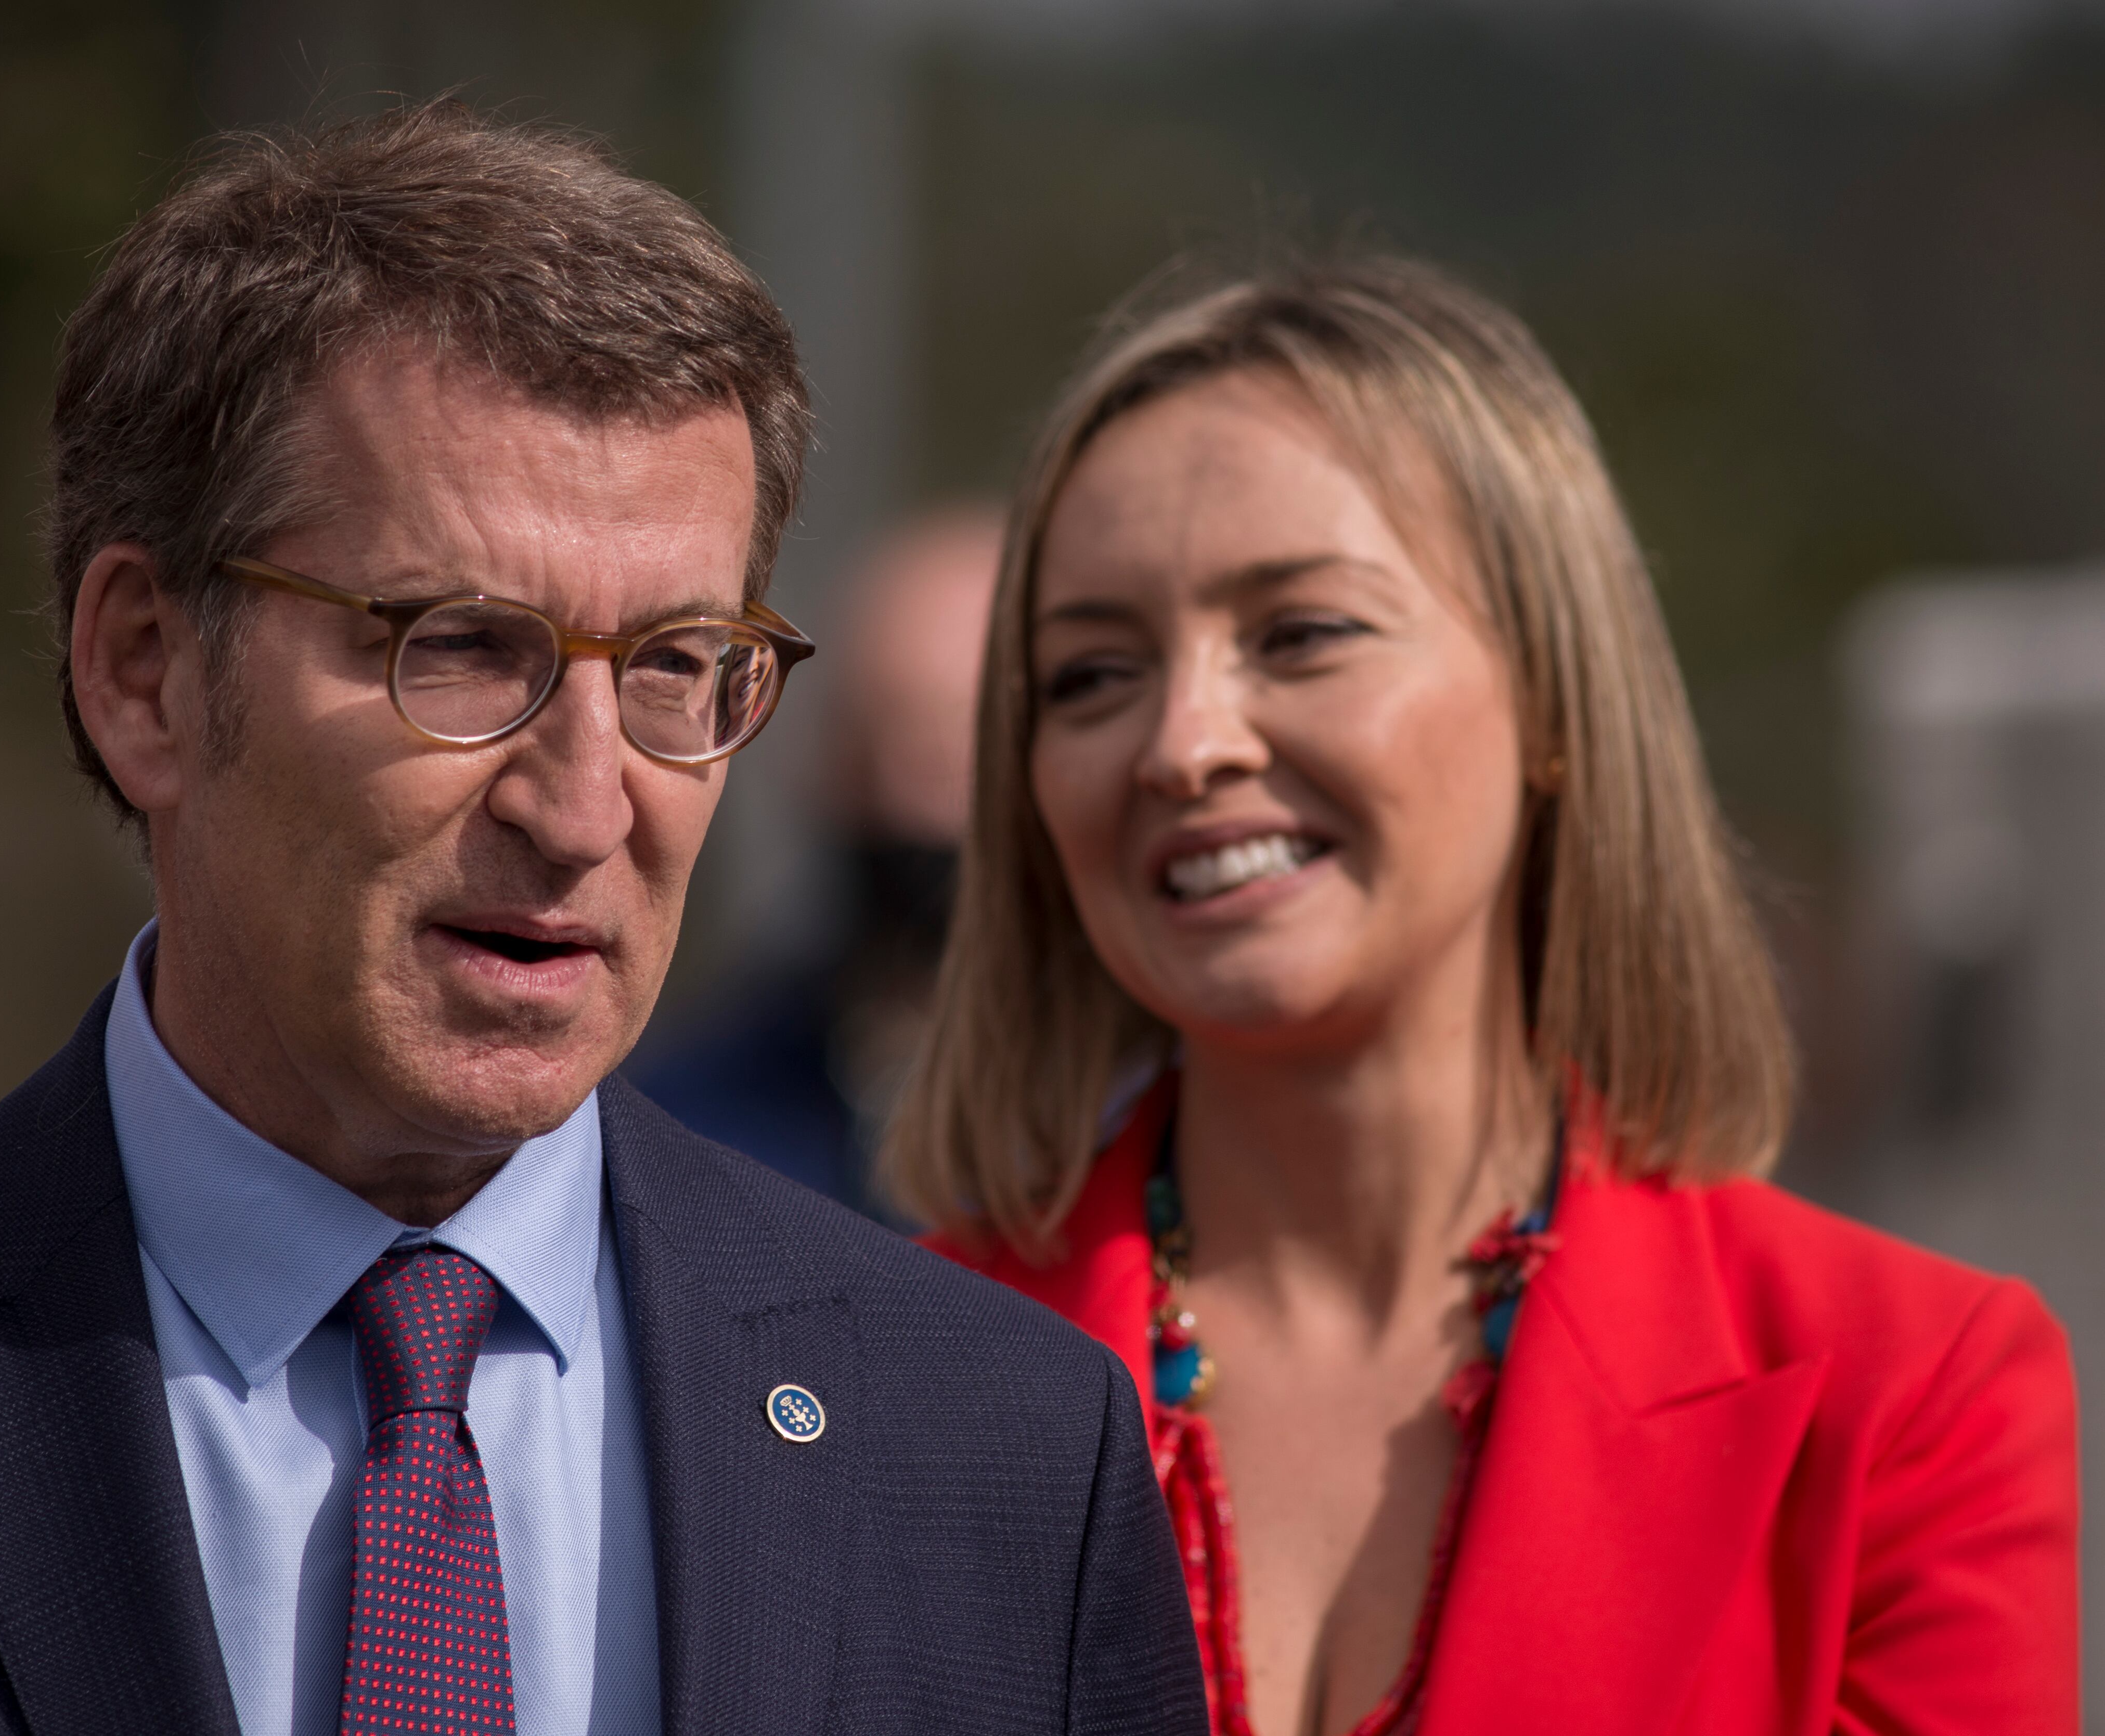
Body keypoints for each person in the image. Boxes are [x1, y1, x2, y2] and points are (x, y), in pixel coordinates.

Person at [0, 106, 1205, 1736]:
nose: (587, 799)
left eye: (681, 666)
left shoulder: (1007, 1457)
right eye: (461, 646)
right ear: (144, 671)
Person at [890, 259, 2078, 1735]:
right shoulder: (863, 1391)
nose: (1183, 742)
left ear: (1556, 702)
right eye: (1089, 676)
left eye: (1302, 633)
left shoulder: (1907, 1391)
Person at [632, 506, 1000, 1210]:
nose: (916, 800)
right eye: (891, 738)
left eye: (967, 747)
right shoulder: (696, 1119)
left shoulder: (1167, 1111)